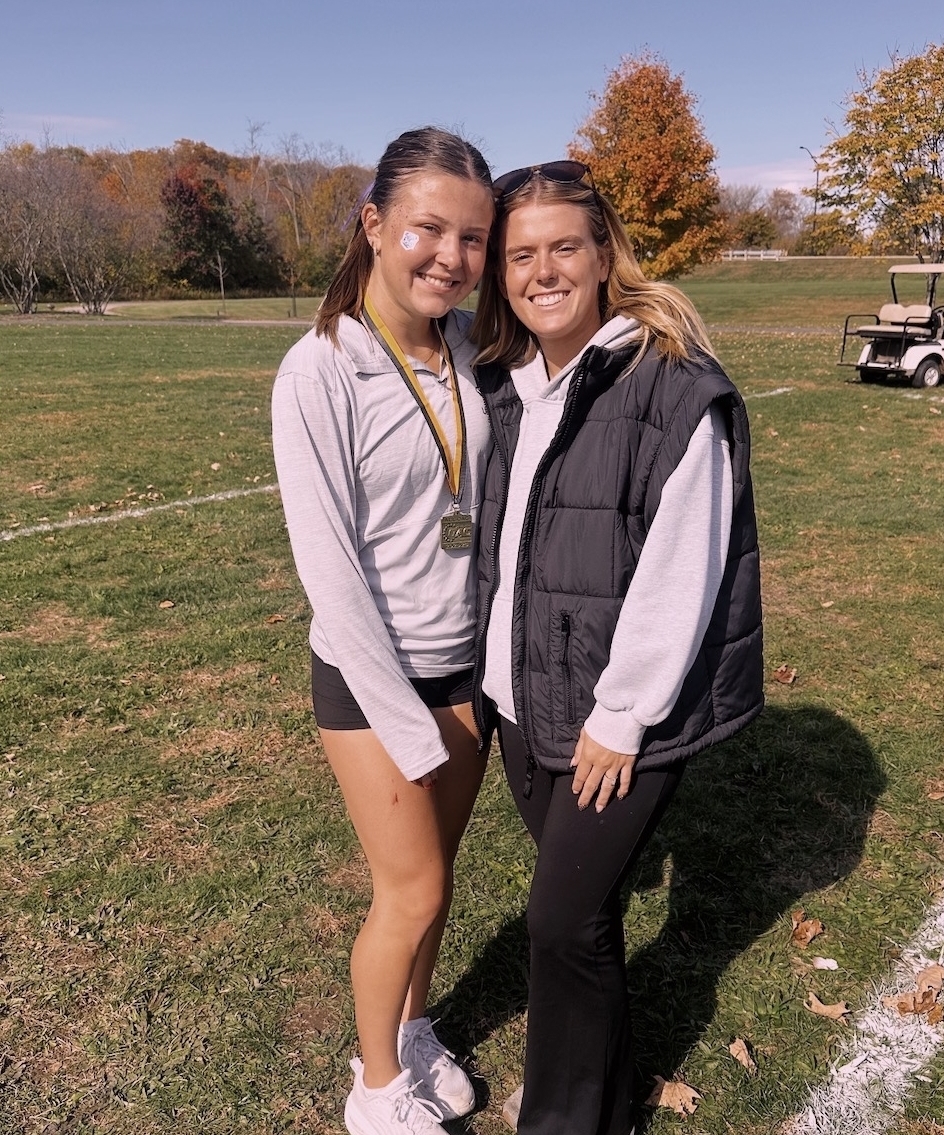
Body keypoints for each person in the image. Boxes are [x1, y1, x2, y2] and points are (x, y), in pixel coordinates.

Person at [470, 161, 764, 1135]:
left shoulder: (671, 385)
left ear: (604, 256)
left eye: (563, 246)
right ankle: (601, 1092)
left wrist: (623, 714)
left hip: (614, 719)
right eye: (520, 254)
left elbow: (685, 568)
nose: (542, 270)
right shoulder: (504, 383)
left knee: (558, 919)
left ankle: (567, 1117)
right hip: (522, 702)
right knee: (583, 917)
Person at [271, 127, 495, 1135]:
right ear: (373, 223)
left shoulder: (468, 349)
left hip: (463, 669)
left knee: (437, 889)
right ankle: (375, 1092)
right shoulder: (320, 371)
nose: (450, 256)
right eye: (427, 229)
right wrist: (407, 724)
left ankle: (411, 1031)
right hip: (374, 682)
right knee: (409, 890)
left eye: (472, 238)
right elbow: (329, 574)